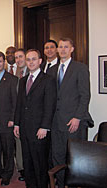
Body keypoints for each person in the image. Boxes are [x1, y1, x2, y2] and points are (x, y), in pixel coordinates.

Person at [47, 38, 92, 188]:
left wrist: (78, 117)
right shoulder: (52, 70)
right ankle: (60, 184)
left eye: (66, 47)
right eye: (60, 47)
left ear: (72, 49)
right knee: (57, 156)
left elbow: (85, 95)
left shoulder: (80, 68)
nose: (63, 50)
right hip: (55, 122)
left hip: (73, 122)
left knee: (74, 158)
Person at [14, 49, 56, 188]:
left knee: (40, 164)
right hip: (25, 129)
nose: (30, 62)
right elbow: (19, 104)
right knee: (28, 163)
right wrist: (17, 124)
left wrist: (45, 126)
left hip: (40, 130)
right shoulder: (23, 80)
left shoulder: (48, 80)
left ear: (39, 61)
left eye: (33, 59)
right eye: (28, 59)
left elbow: (50, 105)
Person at [0, 51, 18, 186]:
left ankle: (7, 174)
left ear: (4, 62)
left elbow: (15, 101)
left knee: (8, 150)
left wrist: (12, 118)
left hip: (6, 121)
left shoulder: (12, 79)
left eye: (0, 61)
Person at [6, 46, 25, 181]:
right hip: (7, 112)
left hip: (22, 113)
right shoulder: (4, 70)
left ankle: (22, 168)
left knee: (20, 142)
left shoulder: (28, 72)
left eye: (19, 56)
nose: (16, 58)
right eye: (14, 56)